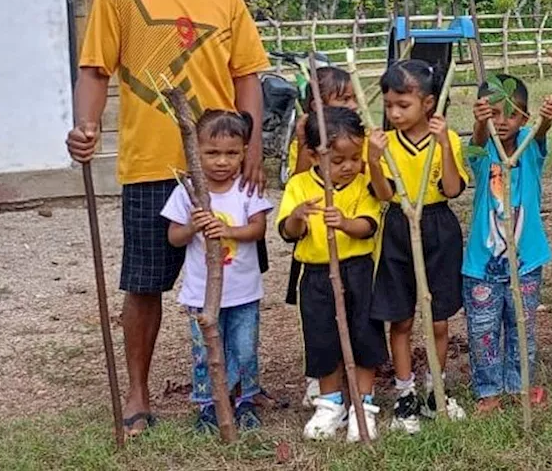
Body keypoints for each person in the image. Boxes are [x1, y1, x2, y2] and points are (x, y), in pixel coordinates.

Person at [65, 0, 268, 438]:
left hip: (225, 163)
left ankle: (235, 386)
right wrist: (86, 127)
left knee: (236, 278)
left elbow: (246, 75)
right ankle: (137, 391)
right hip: (154, 162)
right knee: (146, 282)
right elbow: (95, 70)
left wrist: (252, 147)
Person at [366, 60, 470, 431]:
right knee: (402, 317)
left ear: (428, 103)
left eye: (403, 105)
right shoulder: (383, 143)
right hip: (396, 227)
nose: (394, 113)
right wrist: (374, 162)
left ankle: (434, 389)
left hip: (438, 227)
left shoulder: (449, 139)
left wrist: (444, 145)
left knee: (438, 318)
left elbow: (454, 190)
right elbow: (381, 195)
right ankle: (405, 392)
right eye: (389, 104)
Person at [279, 107, 386, 442]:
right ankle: (330, 403)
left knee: (364, 335)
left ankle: (364, 404)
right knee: (322, 337)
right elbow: (288, 232)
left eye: (355, 158)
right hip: (316, 275)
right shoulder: (299, 185)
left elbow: (369, 226)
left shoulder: (363, 182)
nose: (349, 167)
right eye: (338, 160)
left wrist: (345, 223)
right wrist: (298, 216)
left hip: (358, 271)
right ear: (312, 155)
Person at [162, 110, 272, 433]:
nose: (222, 161)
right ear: (195, 151)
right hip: (201, 294)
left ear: (243, 153)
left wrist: (226, 231)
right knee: (206, 351)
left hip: (243, 291)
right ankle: (209, 405)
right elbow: (173, 237)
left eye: (231, 153)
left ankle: (245, 401)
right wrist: (192, 225)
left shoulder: (247, 189)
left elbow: (257, 229)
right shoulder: (188, 192)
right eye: (212, 153)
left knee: (243, 347)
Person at [465, 75, 552, 413]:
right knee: (483, 331)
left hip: (527, 262)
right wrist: (479, 124)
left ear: (523, 117)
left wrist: (547, 117)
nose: (501, 122)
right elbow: (476, 143)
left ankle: (519, 385)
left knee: (522, 327)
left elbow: (543, 130)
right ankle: (488, 390)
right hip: (482, 265)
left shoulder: (530, 146)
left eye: (510, 114)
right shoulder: (480, 150)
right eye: (493, 113)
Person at [284, 66, 358, 409]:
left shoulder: (358, 135)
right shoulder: (308, 144)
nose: (353, 104)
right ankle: (320, 379)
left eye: (353, 96)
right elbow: (300, 181)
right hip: (314, 248)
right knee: (318, 318)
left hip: (354, 245)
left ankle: (355, 378)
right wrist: (304, 143)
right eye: (343, 98)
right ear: (315, 107)